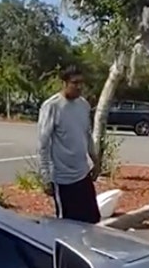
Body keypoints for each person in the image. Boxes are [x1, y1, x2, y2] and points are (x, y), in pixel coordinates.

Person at [37, 66, 101, 223]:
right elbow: (43, 145)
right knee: (67, 225)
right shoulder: (52, 106)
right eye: (74, 82)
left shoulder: (83, 105)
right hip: (62, 179)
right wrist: (46, 178)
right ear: (64, 83)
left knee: (92, 219)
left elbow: (86, 135)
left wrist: (96, 162)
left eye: (81, 83)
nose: (79, 86)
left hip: (82, 175)